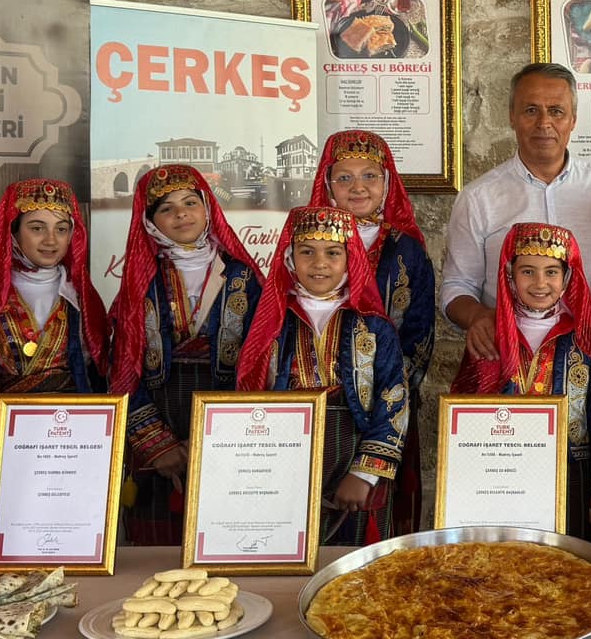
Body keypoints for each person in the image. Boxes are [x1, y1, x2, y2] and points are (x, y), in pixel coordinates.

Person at [108, 164, 264, 546]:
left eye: (191, 202)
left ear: (208, 209)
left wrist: (227, 436)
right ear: (149, 221)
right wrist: (155, 443)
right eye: (166, 208)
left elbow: (261, 359)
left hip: (227, 416)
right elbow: (122, 365)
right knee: (156, 538)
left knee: (227, 531)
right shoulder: (140, 280)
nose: (181, 214)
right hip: (157, 413)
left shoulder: (246, 277)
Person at [441, 62, 591, 368]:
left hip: (590, 360)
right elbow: (457, 286)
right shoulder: (479, 197)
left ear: (573, 120)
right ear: (512, 117)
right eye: (531, 110)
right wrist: (478, 316)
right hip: (506, 358)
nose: (544, 122)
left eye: (556, 111)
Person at [236, 207, 409, 546]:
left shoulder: (373, 325)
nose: (319, 263)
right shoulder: (270, 323)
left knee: (356, 563)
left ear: (351, 258)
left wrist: (364, 473)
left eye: (333, 252)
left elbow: (394, 398)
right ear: (289, 257)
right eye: (306, 252)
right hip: (284, 452)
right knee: (285, 547)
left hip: (354, 447)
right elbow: (248, 393)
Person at [0, 178, 108, 537]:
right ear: (13, 232)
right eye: (37, 228)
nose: (51, 240)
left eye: (61, 229)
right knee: (3, 528)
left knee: (63, 527)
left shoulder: (79, 293)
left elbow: (98, 369)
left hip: (68, 433)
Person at [305, 129, 436, 534]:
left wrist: (385, 395)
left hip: (385, 405)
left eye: (369, 176)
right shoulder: (306, 242)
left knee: (372, 523)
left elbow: (419, 331)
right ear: (327, 184)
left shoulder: (407, 249)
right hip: (309, 413)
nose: (357, 187)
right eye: (344, 177)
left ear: (387, 184)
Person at [456, 223, 591, 540]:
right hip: (500, 475)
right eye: (528, 272)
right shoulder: (489, 336)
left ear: (568, 277)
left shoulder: (584, 342)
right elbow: (465, 411)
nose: (540, 283)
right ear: (509, 275)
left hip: (572, 473)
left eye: (551, 272)